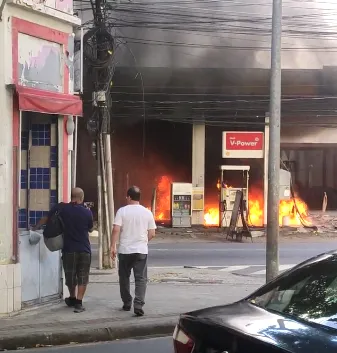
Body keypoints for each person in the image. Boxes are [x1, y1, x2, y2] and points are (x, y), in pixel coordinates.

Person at [33, 187, 93, 313]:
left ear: (71, 196)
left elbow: (46, 219)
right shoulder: (87, 212)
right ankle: (79, 303)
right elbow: (90, 229)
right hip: (84, 249)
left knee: (70, 276)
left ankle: (71, 297)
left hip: (68, 249)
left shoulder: (62, 208)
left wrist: (35, 227)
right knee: (83, 276)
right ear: (82, 198)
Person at [111, 186, 156, 317]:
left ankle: (126, 303)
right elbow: (152, 233)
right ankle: (138, 304)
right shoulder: (147, 212)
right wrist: (144, 242)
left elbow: (116, 229)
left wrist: (113, 246)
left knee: (124, 277)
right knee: (141, 278)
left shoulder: (122, 211)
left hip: (125, 250)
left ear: (129, 197)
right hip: (141, 251)